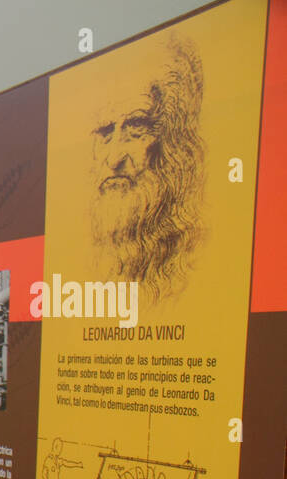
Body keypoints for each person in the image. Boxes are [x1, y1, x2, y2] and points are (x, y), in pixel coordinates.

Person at [88, 33, 204, 304]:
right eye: (106, 132)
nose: (114, 158)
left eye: (137, 127)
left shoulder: (197, 257)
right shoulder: (89, 255)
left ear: (174, 138)